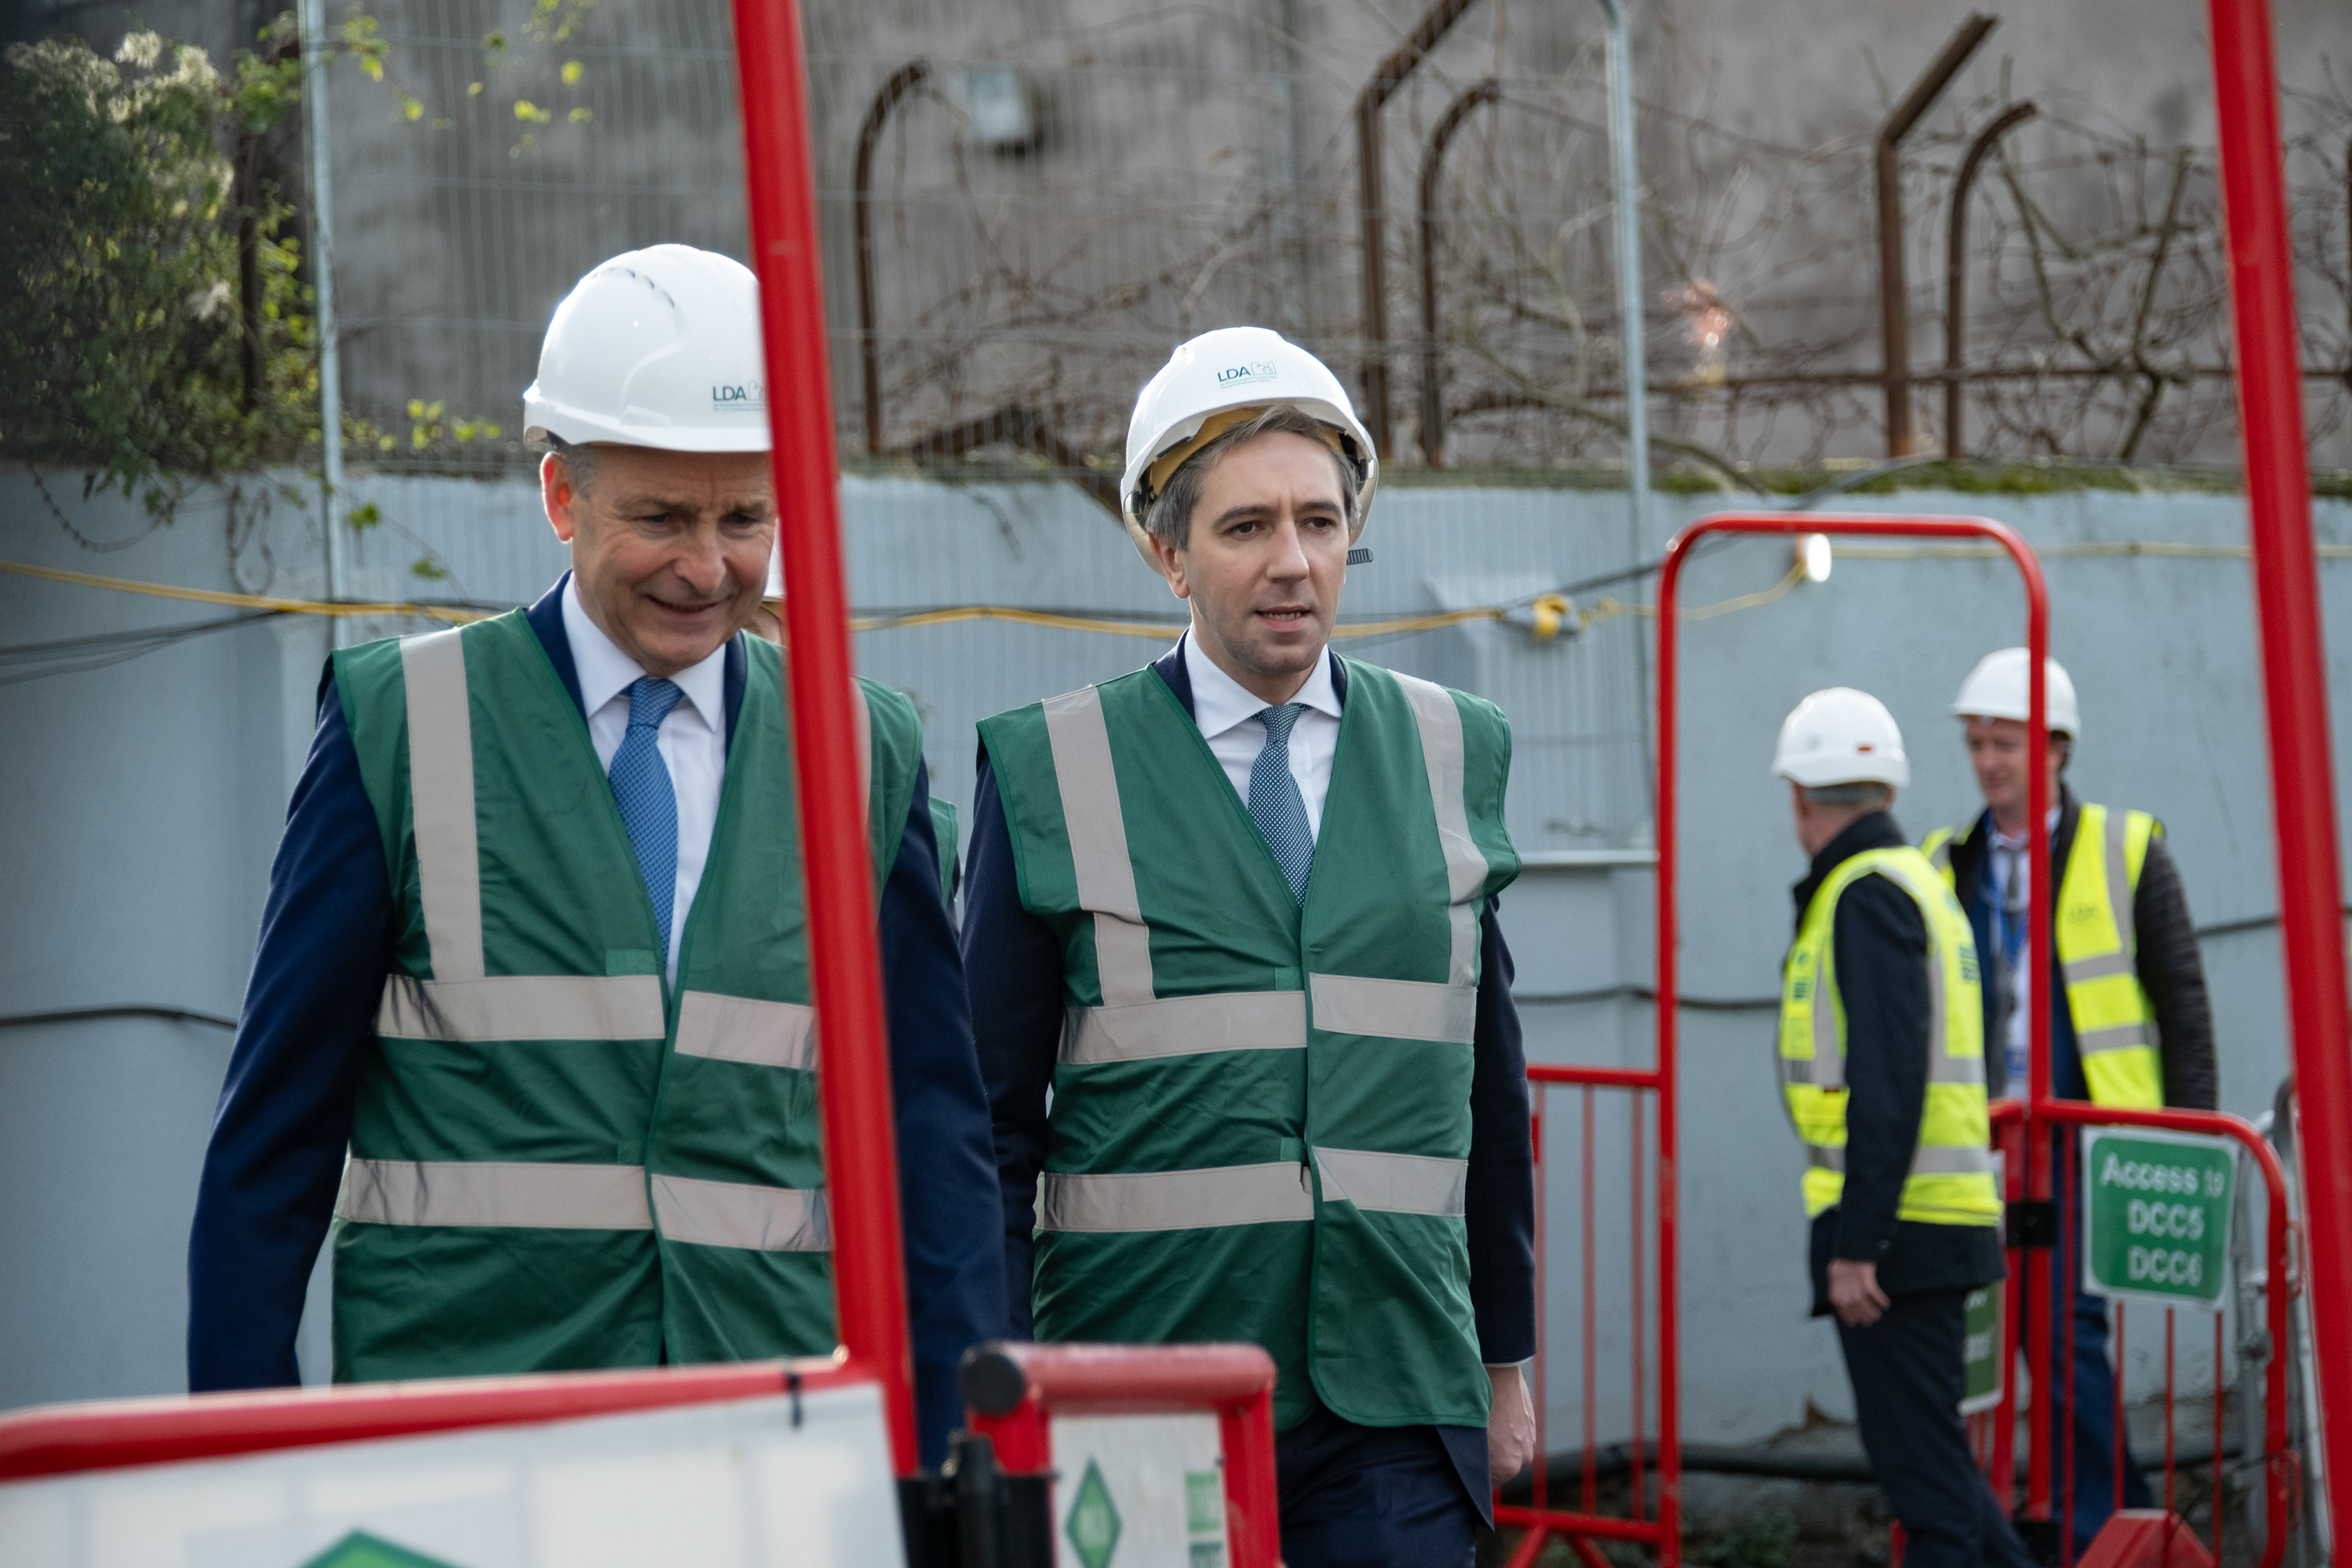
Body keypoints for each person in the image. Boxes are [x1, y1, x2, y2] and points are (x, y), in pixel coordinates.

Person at [186, 244, 1005, 1466]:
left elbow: (932, 1137)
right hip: (472, 1444)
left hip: (768, 1434)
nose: (707, 565)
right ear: (563, 497)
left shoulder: (862, 750)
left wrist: (960, 1457)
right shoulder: (404, 724)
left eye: (745, 517)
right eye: (661, 518)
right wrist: (242, 1469)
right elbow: (274, 1142)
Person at [963, 326, 1537, 1567]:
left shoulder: (1454, 750)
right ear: (1165, 551)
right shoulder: (1051, 766)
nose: (1294, 563)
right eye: (1246, 527)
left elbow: (1488, 1088)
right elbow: (991, 1124)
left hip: (1395, 1387)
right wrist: (992, 1380)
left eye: (1322, 523)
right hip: (1135, 1380)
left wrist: (1508, 1359)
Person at [1924, 649, 2218, 1551]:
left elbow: (2182, 1004)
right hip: (1982, 1139)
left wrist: (2189, 1145)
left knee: (2064, 1344)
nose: (1987, 762)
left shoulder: (2128, 850)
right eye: (1976, 743)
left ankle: (2097, 1527)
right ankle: (2064, 1522)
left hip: (2086, 1143)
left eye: (2004, 743)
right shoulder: (1948, 862)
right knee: (1996, 1347)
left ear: (2055, 746)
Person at [1772, 688, 2031, 1568]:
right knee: (1947, 1480)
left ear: (1801, 798)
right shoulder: (1923, 884)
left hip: (1897, 1242)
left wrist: (1859, 1241)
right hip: (1935, 1224)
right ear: (1886, 791)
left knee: (1934, 1511)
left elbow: (1888, 1082)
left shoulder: (1863, 895)